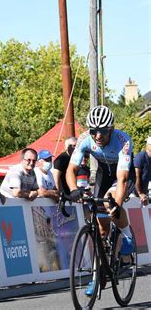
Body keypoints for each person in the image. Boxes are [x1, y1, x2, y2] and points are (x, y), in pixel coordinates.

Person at [66, 105, 135, 296]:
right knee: (101, 229)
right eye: (93, 131)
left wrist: (117, 206)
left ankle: (127, 237)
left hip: (123, 175)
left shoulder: (123, 141)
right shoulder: (84, 139)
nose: (97, 135)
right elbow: (71, 169)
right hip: (104, 174)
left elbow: (121, 179)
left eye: (102, 131)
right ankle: (98, 277)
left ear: (111, 129)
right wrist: (73, 190)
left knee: (109, 201)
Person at [133, 136, 150, 207]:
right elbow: (136, 176)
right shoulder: (141, 157)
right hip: (134, 194)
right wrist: (140, 193)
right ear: (148, 145)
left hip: (146, 193)